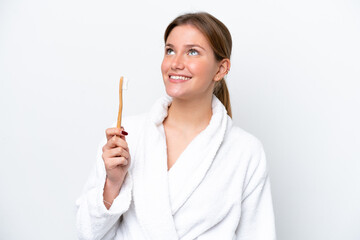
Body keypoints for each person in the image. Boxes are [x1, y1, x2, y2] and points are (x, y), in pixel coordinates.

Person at [76, 12, 276, 240]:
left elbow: (259, 234)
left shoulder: (245, 151)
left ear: (221, 69)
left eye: (192, 52)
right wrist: (113, 183)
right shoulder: (125, 135)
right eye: (170, 50)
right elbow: (87, 234)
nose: (176, 63)